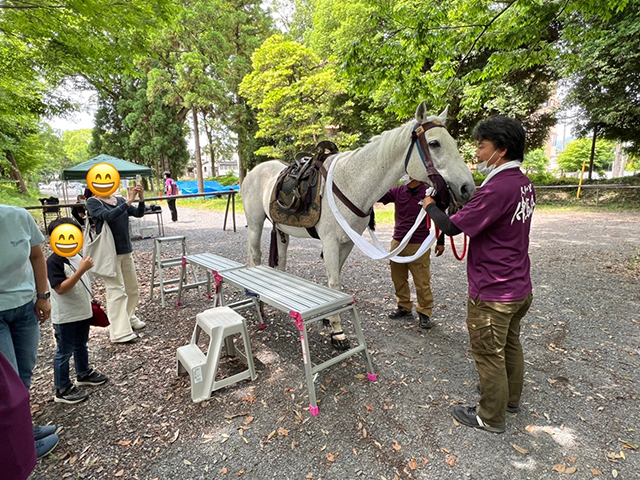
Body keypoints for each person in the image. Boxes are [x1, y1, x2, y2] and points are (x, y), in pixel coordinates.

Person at [423, 116, 535, 434]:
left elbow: (451, 226)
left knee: (487, 353)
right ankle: (509, 400)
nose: (479, 152)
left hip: (493, 291)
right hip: (518, 287)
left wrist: (430, 204)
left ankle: (490, 416)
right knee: (510, 344)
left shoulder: (497, 188)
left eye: (482, 146)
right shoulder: (523, 185)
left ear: (501, 149)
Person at [0, 205, 59, 457]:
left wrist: (43, 295)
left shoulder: (18, 216)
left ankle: (23, 429)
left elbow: (37, 256)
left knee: (24, 373)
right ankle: (18, 448)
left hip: (24, 307)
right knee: (6, 384)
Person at [46, 218, 109, 404]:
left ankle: (83, 372)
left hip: (82, 312)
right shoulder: (54, 261)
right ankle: (62, 388)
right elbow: (60, 288)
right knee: (64, 351)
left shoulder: (76, 255)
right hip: (65, 316)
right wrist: (81, 271)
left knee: (81, 344)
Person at [379, 177, 445, 329]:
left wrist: (441, 241)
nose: (403, 176)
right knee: (398, 278)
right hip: (398, 242)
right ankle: (404, 306)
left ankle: (424, 312)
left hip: (418, 243)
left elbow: (439, 216)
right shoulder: (398, 191)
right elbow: (379, 195)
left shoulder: (428, 193)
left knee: (422, 280)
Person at [86, 184, 147, 343]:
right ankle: (119, 332)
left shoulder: (119, 200)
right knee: (116, 291)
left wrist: (140, 199)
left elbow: (139, 213)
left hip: (126, 250)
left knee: (132, 288)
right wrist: (128, 202)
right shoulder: (93, 202)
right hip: (109, 253)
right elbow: (108, 216)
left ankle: (128, 317)